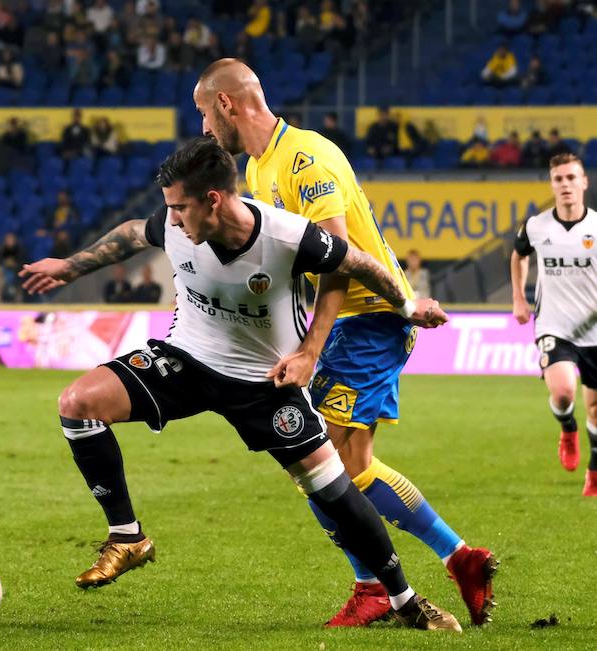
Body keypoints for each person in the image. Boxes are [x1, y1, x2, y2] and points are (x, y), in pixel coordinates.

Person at [19, 137, 458, 631]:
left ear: (213, 199)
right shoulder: (174, 223)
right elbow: (129, 235)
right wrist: (69, 266)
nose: (174, 220)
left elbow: (357, 264)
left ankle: (404, 600)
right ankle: (127, 536)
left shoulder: (290, 236)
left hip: (262, 382)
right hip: (186, 360)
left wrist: (404, 307)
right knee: (77, 404)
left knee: (332, 488)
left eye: (181, 208)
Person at [193, 58, 496, 627]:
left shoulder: (306, 159)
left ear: (227, 104)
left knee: (336, 462)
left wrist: (311, 347)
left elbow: (336, 262)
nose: (205, 129)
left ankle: (423, 570)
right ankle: (413, 573)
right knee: (325, 463)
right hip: (346, 327)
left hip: (370, 321)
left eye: (205, 114)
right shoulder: (259, 171)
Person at [511, 153, 597, 497]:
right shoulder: (536, 226)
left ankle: (593, 469)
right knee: (562, 391)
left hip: (594, 331)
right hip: (555, 325)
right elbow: (519, 255)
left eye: (571, 178)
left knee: (595, 407)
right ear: (552, 184)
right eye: (558, 179)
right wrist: (518, 296)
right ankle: (567, 427)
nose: (565, 185)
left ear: (584, 182)